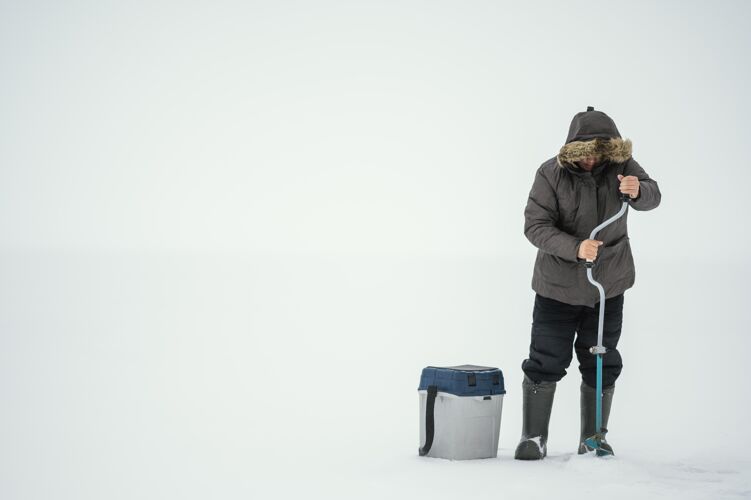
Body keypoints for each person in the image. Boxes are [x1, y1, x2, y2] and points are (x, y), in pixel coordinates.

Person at [514, 106, 661, 460]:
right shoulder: (550, 173)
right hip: (557, 286)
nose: (594, 159)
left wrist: (639, 190)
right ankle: (533, 437)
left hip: (607, 286)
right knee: (546, 359)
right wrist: (576, 247)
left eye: (602, 150)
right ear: (574, 149)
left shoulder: (624, 167)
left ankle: (593, 437)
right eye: (588, 151)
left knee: (601, 360)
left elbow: (654, 197)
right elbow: (535, 226)